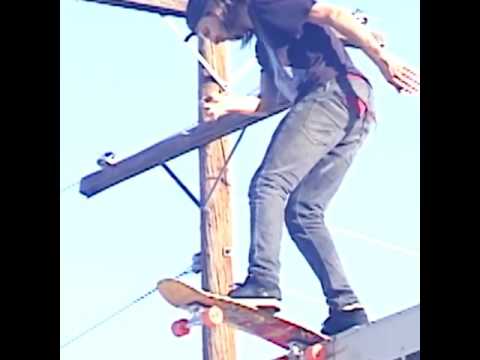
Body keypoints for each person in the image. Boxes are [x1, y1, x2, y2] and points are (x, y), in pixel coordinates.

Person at [185, 0, 420, 336]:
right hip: (354, 108)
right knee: (303, 211)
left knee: (268, 185)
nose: (215, 40)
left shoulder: (266, 5)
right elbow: (272, 101)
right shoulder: (265, 49)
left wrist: (385, 61)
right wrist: (229, 105)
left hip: (332, 94)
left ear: (217, 8)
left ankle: (263, 282)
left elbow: (334, 15)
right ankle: (346, 308)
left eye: (209, 31)